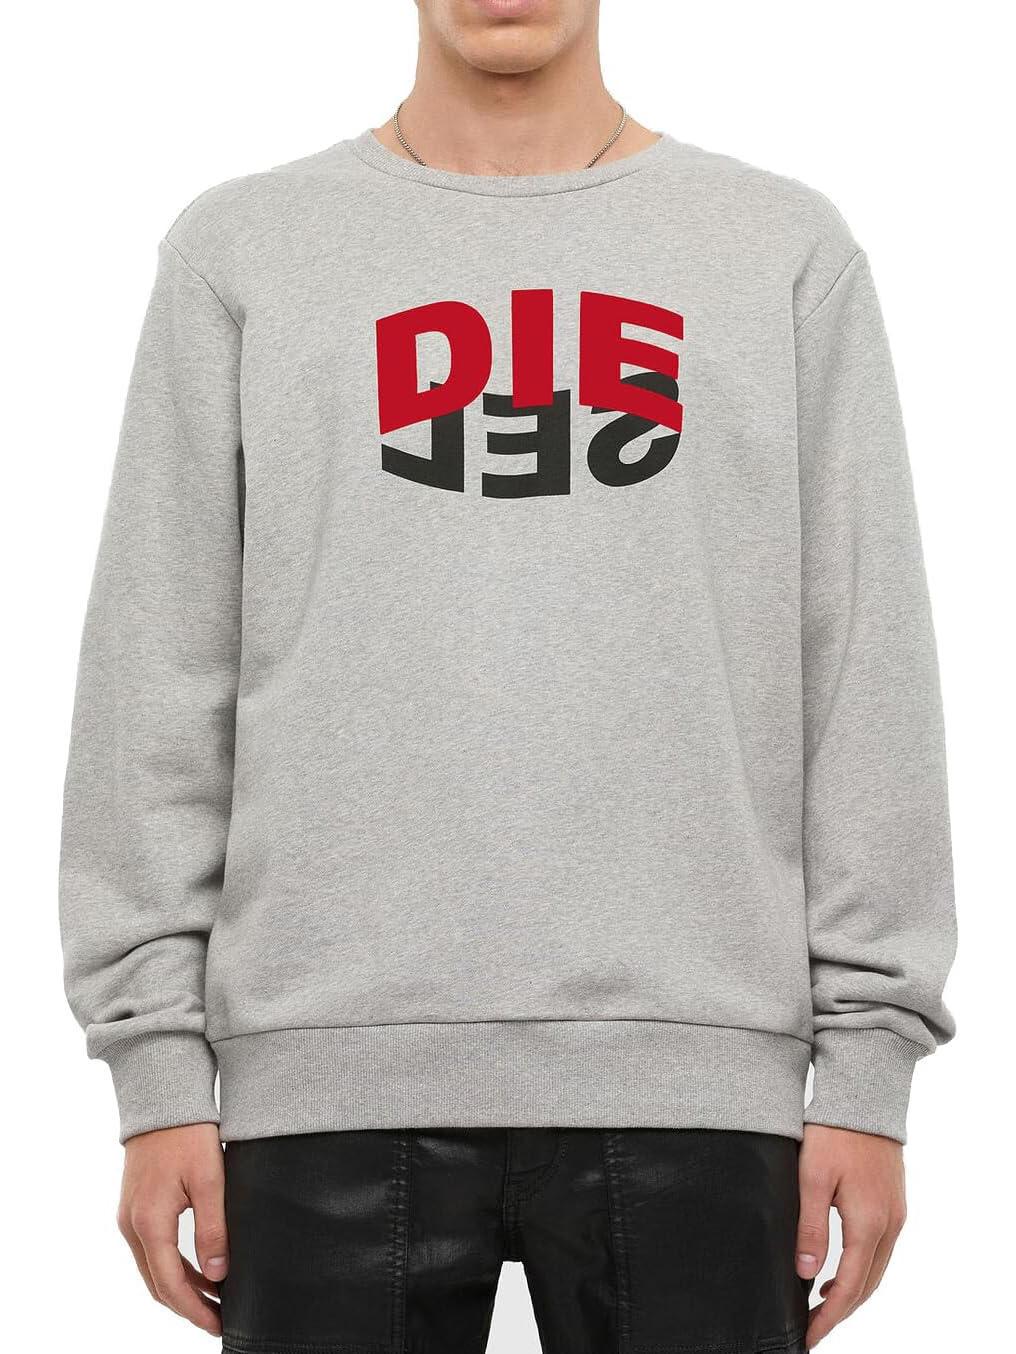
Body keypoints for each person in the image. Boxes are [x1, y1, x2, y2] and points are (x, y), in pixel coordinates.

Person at [59, 1, 957, 1350]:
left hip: (701, 1073)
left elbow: (861, 656)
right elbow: (159, 666)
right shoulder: (242, 250)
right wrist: (156, 1070)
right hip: (321, 1074)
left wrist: (871, 1071)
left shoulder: (779, 250)